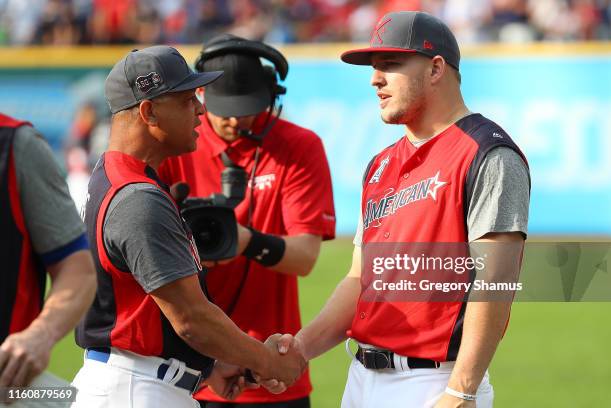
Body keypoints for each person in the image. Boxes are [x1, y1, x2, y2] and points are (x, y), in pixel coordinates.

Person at [276, 11, 531, 408]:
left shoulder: (487, 153)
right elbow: (360, 280)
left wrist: (462, 390)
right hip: (360, 379)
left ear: (435, 69)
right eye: (374, 68)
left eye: (390, 65)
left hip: (435, 383)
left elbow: (495, 282)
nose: (375, 79)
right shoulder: (380, 164)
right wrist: (301, 349)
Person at [70, 45, 306, 408]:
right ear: (148, 111)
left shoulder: (114, 176)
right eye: (185, 99)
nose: (200, 108)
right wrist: (268, 361)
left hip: (138, 379)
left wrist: (207, 366)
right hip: (136, 389)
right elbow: (193, 319)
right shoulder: (137, 197)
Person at [158, 34, 336, 408]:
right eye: (225, 108)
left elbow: (304, 257)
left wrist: (244, 241)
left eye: (247, 107)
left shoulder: (300, 146)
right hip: (184, 370)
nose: (236, 119)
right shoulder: (175, 145)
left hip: (271, 370)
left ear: (273, 96)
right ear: (200, 96)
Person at [0, 113, 97, 405]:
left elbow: (79, 270)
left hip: (7, 385)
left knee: (67, 400)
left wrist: (40, 335)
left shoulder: (15, 145)